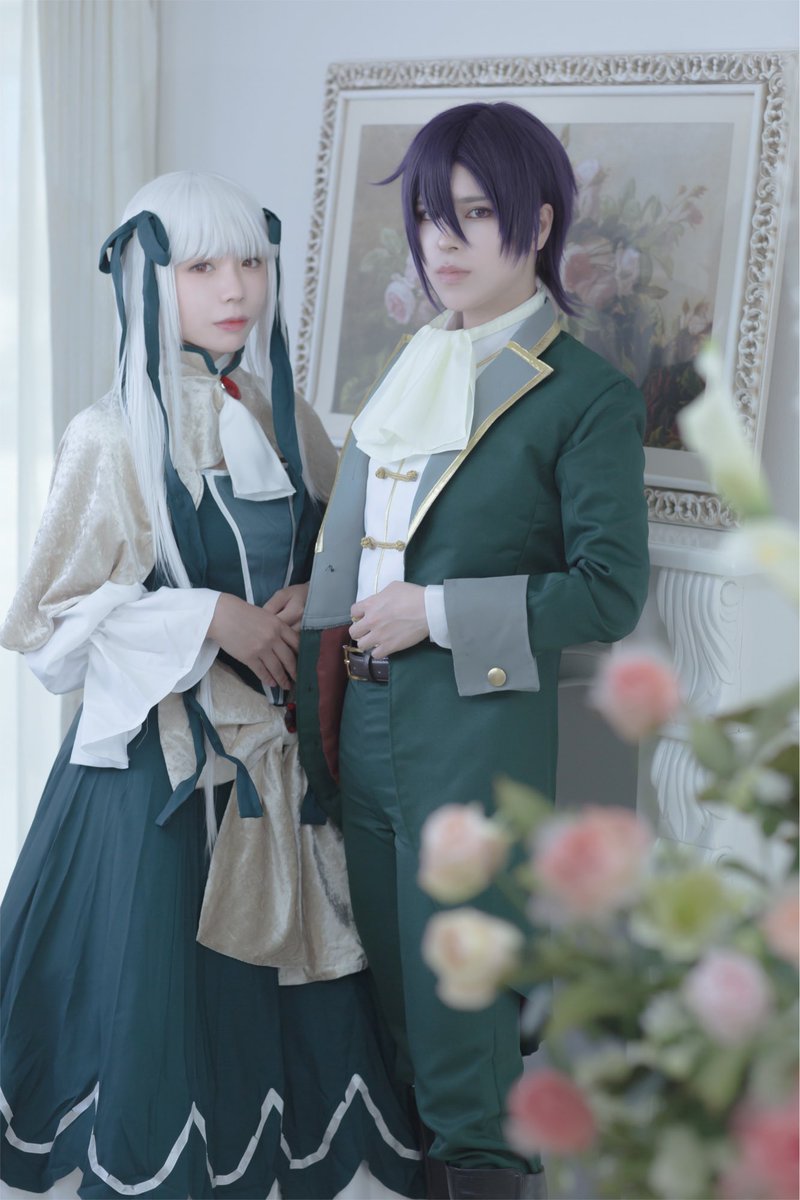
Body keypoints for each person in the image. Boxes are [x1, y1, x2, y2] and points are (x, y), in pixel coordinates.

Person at [0, 171, 424, 1200]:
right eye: (201, 267)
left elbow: (352, 556)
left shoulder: (290, 417)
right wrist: (206, 617)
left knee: (300, 1009)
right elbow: (43, 621)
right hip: (160, 785)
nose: (235, 288)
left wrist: (309, 597)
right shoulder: (109, 435)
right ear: (150, 280)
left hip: (288, 764)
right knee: (162, 1009)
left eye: (250, 263)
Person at [297, 102, 651, 1200]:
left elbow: (608, 591)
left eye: (473, 214)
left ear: (537, 224)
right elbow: (357, 550)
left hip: (470, 733)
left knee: (465, 1037)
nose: (440, 241)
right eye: (425, 216)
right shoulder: (408, 366)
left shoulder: (584, 395)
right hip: (358, 722)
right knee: (396, 1021)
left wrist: (437, 611)